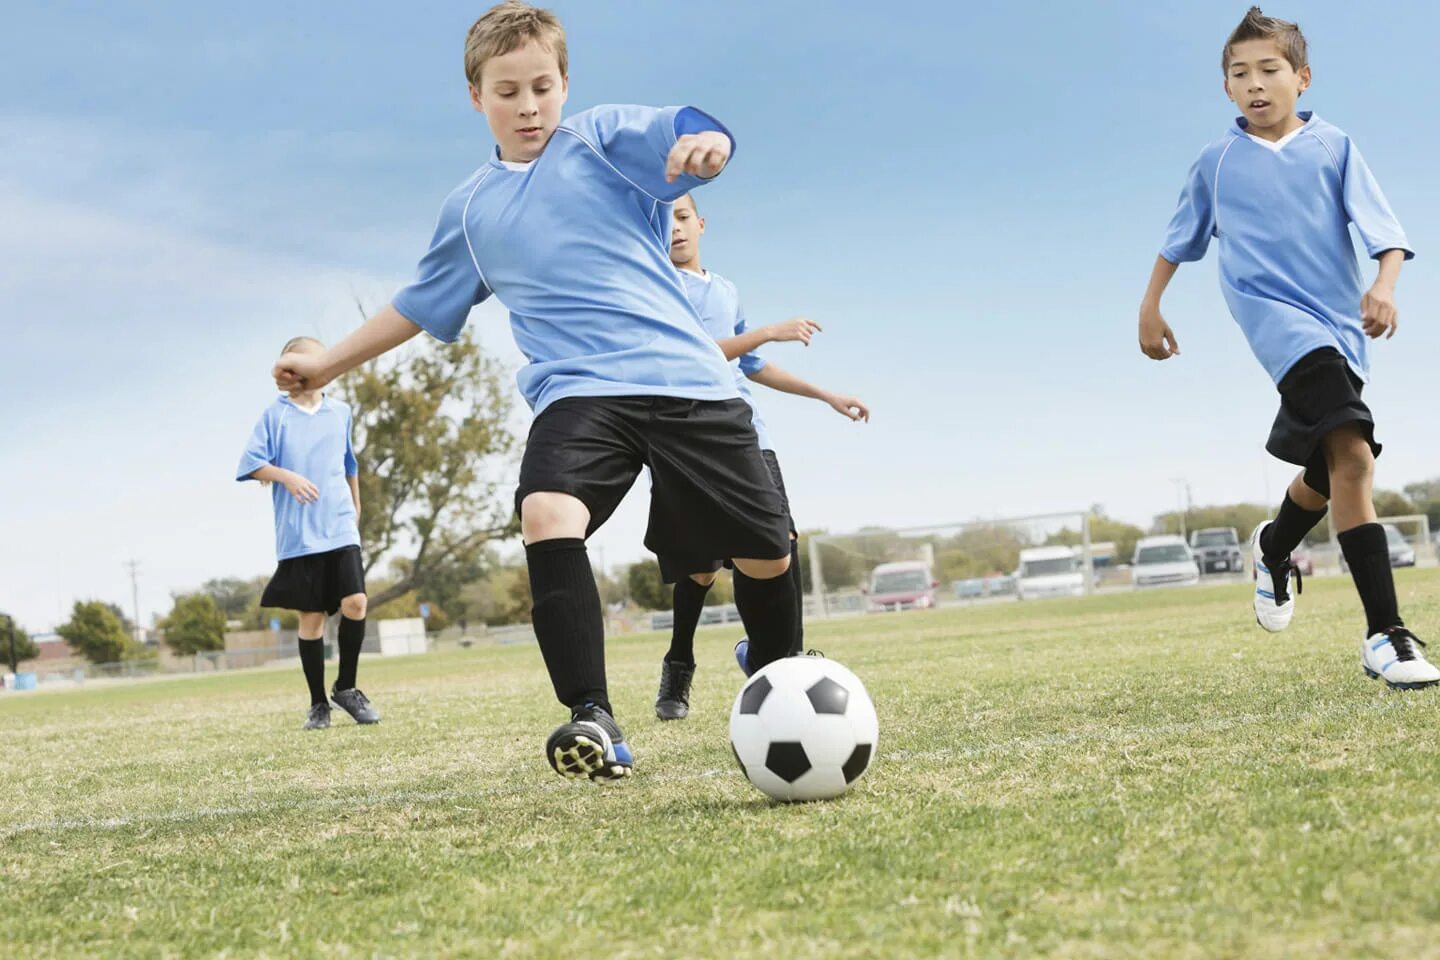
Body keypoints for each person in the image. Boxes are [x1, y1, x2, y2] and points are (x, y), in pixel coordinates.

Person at [271, 2, 799, 780]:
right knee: (547, 511)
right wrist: (326, 367)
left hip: (686, 379)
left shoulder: (602, 139)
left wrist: (708, 146)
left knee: (765, 552)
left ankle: (783, 677)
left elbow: (686, 127)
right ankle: (592, 714)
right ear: (476, 96)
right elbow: (418, 304)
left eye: (542, 88)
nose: (528, 106)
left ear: (564, 85)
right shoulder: (473, 209)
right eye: (507, 90)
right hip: (581, 395)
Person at [1138, 7, 1435, 689]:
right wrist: (1150, 305)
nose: (1255, 84)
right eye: (1239, 74)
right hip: (1276, 324)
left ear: (1301, 77)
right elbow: (1176, 239)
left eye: (1269, 69)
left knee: (1333, 468)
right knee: (1355, 452)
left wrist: (1384, 285)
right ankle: (1386, 637)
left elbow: (1385, 235)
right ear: (1226, 89)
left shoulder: (1335, 146)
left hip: (1342, 326)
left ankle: (1273, 549)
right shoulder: (1216, 161)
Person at [654, 193, 870, 720]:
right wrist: (771, 329)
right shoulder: (655, 287)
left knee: (780, 541)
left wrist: (827, 395)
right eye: (663, 222)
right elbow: (696, 350)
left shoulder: (725, 290)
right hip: (681, 435)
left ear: (701, 222)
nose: (675, 230)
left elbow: (750, 363)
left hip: (747, 433)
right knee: (700, 568)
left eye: (682, 218)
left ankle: (779, 659)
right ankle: (679, 663)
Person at [238, 336, 381, 729]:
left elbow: (349, 463)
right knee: (312, 618)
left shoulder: (342, 412)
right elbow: (251, 463)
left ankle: (347, 688)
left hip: (339, 525)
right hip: (299, 533)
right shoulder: (276, 415)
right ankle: (318, 704)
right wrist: (285, 476)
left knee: (356, 603)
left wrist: (356, 506)